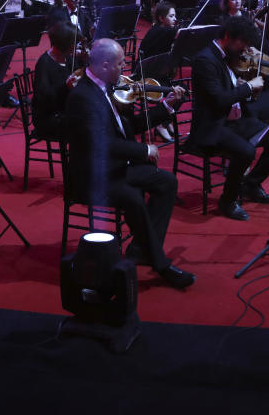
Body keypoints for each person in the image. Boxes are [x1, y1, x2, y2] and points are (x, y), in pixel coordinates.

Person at [65, 38, 194, 288]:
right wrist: (144, 149)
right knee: (133, 198)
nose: (124, 70)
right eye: (120, 64)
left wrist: (167, 105)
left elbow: (129, 127)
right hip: (94, 177)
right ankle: (160, 263)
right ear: (104, 65)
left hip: (115, 168)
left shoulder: (107, 88)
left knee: (166, 182)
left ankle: (142, 248)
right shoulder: (83, 97)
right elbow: (102, 144)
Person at [190, 17, 269, 221]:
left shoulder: (230, 56)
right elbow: (218, 100)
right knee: (246, 151)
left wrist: (245, 88)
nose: (245, 48)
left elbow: (233, 92)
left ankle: (250, 185)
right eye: (242, 42)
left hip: (234, 121)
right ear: (227, 37)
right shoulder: (205, 60)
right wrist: (247, 87)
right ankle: (227, 200)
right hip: (213, 125)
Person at [32, 21, 83, 141]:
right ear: (65, 45)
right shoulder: (44, 64)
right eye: (74, 45)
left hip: (66, 110)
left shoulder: (69, 58)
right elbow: (43, 101)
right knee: (85, 126)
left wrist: (85, 62)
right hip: (49, 118)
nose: (76, 48)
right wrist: (66, 87)